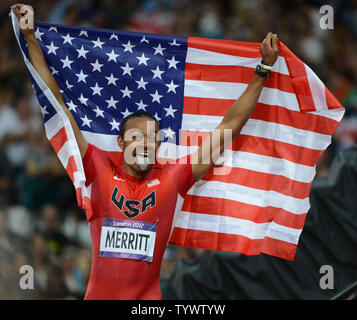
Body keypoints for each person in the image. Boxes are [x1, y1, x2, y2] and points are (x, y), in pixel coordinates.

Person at [11, 3, 278, 300]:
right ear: (122, 144)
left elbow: (229, 126)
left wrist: (263, 70)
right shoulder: (97, 167)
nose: (146, 143)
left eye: (153, 138)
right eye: (137, 136)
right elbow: (58, 104)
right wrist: (32, 39)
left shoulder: (175, 177)